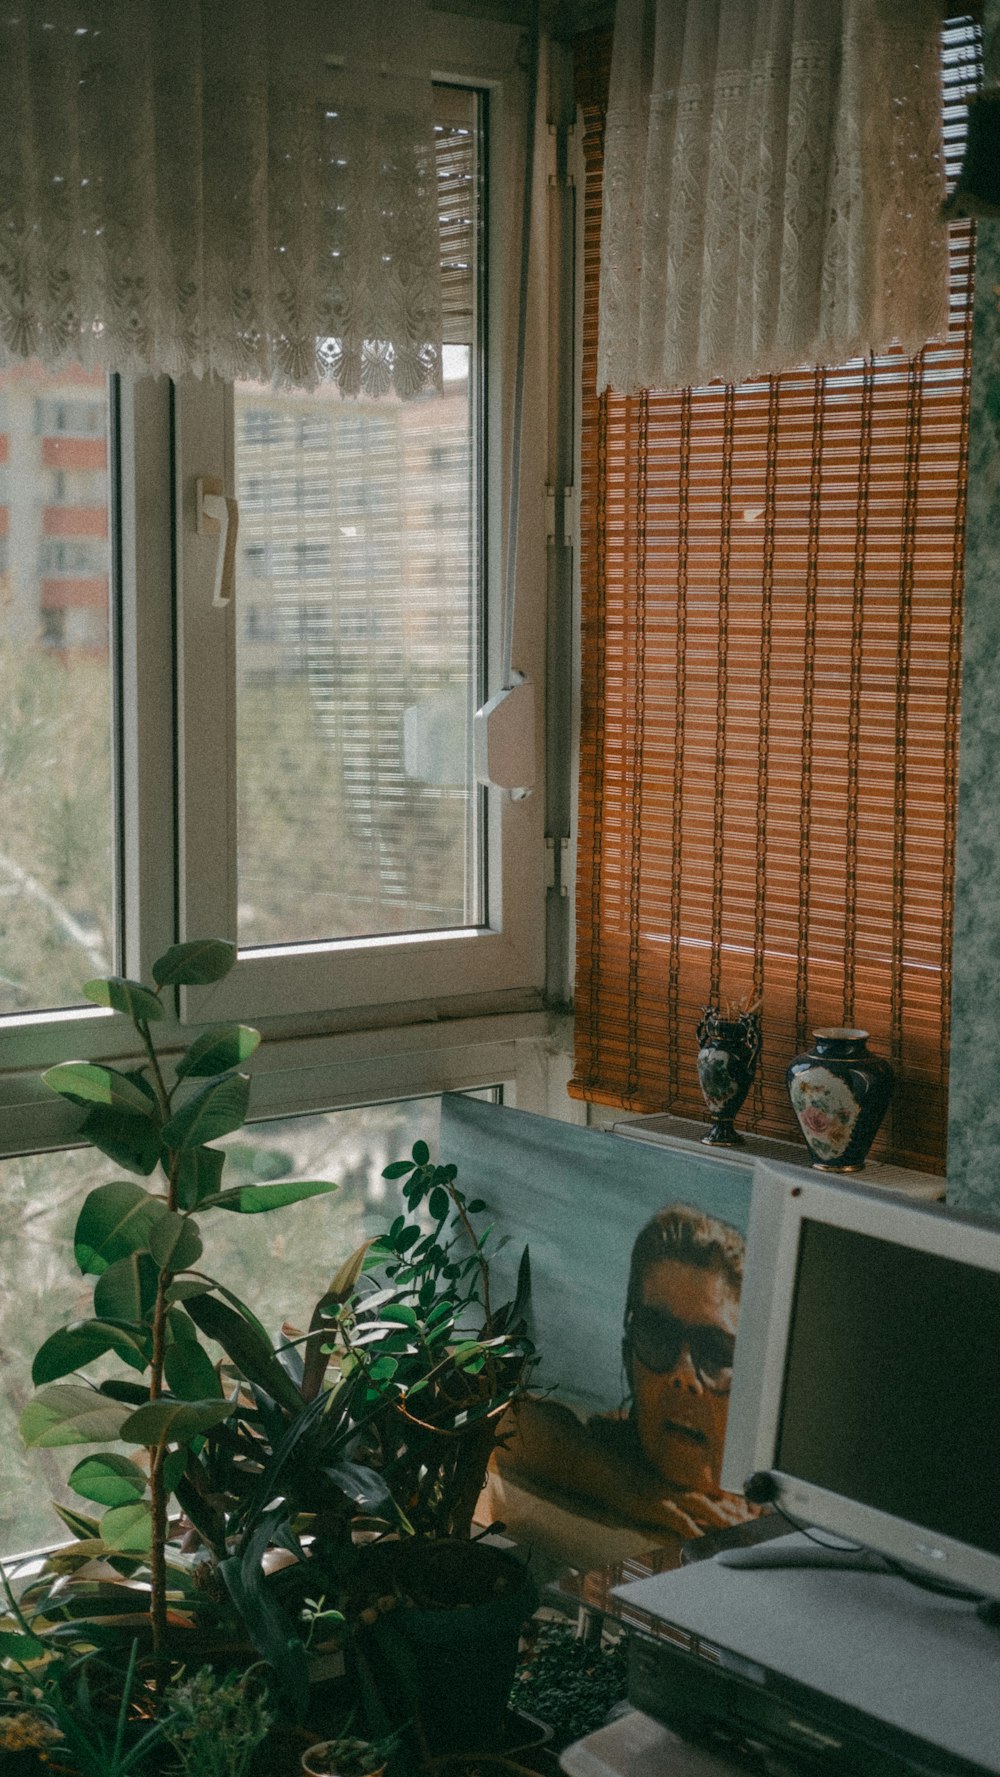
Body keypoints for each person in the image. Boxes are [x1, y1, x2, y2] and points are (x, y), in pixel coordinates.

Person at [488, 1202, 757, 1557]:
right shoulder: (608, 1447)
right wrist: (630, 1492)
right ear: (628, 1355)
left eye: (715, 1352)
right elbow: (505, 1421)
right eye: (658, 1336)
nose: (683, 1376)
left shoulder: (776, 1501)